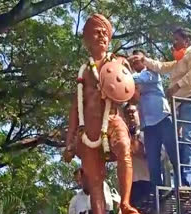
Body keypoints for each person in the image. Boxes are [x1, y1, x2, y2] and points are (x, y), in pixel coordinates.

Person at [63, 13, 139, 214]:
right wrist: (69, 141)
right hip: (88, 130)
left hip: (112, 119)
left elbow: (132, 94)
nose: (102, 36)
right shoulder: (83, 72)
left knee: (124, 147)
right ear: (88, 40)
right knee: (94, 178)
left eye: (105, 33)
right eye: (97, 33)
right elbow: (75, 109)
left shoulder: (118, 63)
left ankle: (125, 203)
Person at [129, 28, 191, 187]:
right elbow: (161, 66)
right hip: (178, 105)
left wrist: (177, 86)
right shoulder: (178, 62)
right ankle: (168, 187)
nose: (173, 43)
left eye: (177, 40)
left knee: (187, 140)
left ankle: (186, 182)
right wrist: (144, 58)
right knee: (179, 145)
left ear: (186, 41)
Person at [129, 49, 178, 188]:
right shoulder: (133, 78)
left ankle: (183, 184)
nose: (134, 63)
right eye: (133, 62)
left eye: (136, 60)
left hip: (162, 117)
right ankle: (158, 191)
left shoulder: (152, 72)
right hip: (148, 125)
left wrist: (124, 70)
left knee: (173, 153)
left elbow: (139, 78)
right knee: (152, 160)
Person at [124, 104, 151, 208]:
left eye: (133, 111)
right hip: (130, 185)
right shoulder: (122, 137)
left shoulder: (147, 133)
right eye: (127, 113)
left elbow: (139, 152)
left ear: (139, 113)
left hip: (147, 182)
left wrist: (134, 134)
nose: (130, 115)